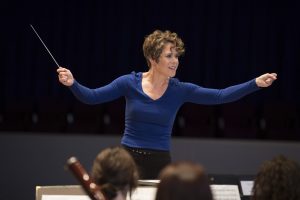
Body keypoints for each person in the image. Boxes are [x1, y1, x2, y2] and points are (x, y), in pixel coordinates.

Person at [57, 30, 277, 179]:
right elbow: (92, 97)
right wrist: (73, 83)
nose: (175, 61)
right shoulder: (128, 82)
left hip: (160, 161)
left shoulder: (179, 90)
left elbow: (220, 96)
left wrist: (254, 84)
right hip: (128, 160)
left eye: (176, 56)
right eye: (169, 56)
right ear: (153, 58)